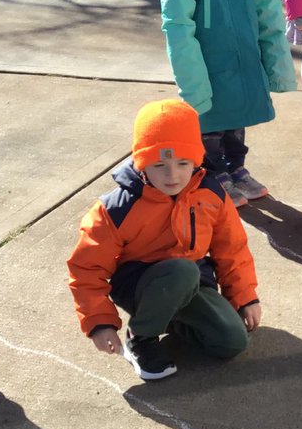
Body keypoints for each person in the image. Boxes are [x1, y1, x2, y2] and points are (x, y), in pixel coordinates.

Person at [66, 99, 260, 381]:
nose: (172, 175)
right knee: (181, 270)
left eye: (183, 163)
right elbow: (86, 268)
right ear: (142, 164)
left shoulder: (212, 194)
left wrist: (244, 298)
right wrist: (99, 322)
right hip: (140, 285)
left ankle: (168, 318)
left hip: (190, 283)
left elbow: (232, 248)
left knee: (232, 341)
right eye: (160, 164)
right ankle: (141, 337)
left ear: (196, 160)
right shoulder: (116, 209)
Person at [161, 0, 296, 208]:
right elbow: (177, 25)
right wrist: (193, 83)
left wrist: (274, 61)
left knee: (236, 123)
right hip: (208, 66)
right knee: (211, 127)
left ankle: (236, 169)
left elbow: (267, 8)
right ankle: (213, 174)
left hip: (243, 60)